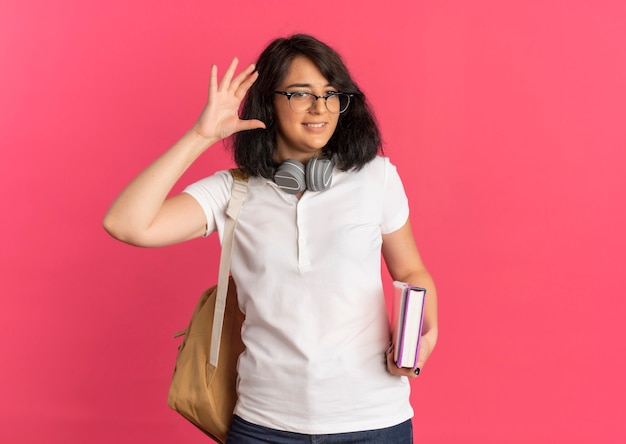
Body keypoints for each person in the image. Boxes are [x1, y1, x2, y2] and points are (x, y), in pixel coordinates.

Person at [104, 34, 438, 443]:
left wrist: (423, 335)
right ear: (269, 101)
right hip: (264, 424)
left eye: (331, 94)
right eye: (301, 93)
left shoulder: (377, 178)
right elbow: (126, 224)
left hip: (372, 421)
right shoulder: (233, 191)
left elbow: (411, 269)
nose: (320, 108)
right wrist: (201, 136)